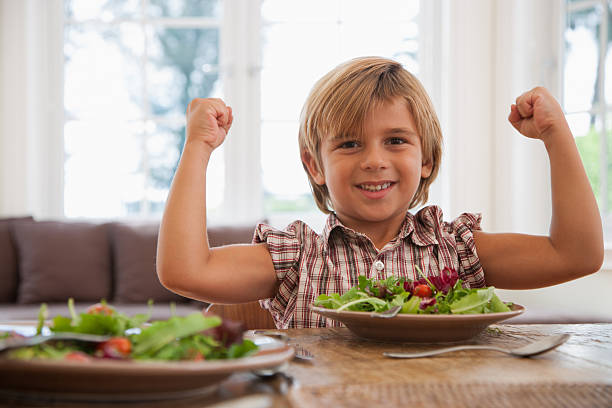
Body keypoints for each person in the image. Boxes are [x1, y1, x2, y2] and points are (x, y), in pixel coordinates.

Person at [157, 56, 603, 328]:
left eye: (396, 140)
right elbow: (185, 271)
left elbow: (577, 254)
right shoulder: (296, 256)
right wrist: (197, 148)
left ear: (426, 158)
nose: (374, 159)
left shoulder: (457, 252)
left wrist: (556, 135)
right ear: (315, 166)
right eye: (350, 144)